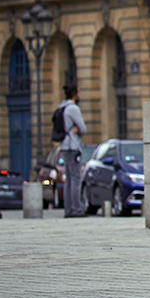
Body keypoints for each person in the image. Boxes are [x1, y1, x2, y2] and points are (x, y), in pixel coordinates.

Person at [58, 85, 88, 218]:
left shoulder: (62, 107)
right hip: (73, 147)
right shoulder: (73, 108)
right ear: (75, 94)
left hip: (64, 146)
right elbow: (83, 128)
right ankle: (76, 209)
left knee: (68, 179)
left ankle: (68, 209)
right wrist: (78, 128)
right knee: (75, 179)